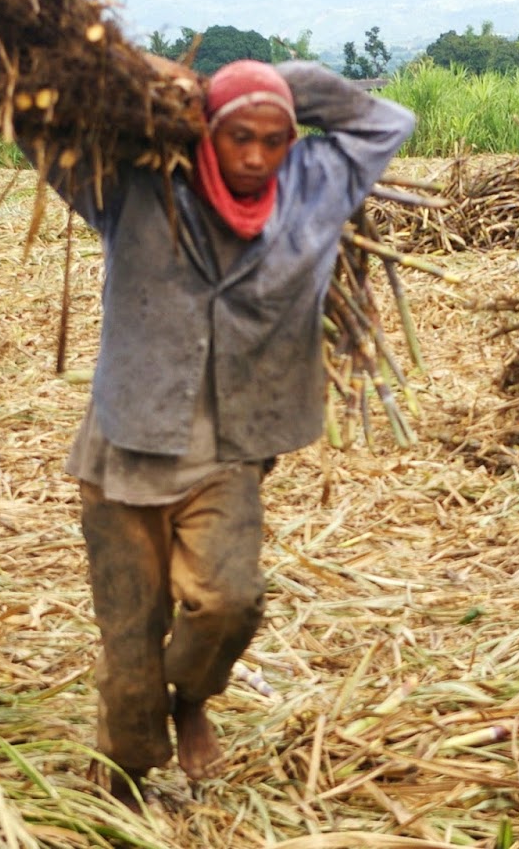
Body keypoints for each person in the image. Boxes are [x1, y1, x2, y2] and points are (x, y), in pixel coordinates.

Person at [38, 58, 415, 808]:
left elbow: (387, 120)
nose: (253, 156)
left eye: (274, 139)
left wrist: (269, 81)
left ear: (293, 141)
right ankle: (126, 769)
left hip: (232, 447)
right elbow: (36, 129)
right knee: (130, 643)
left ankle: (192, 701)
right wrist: (183, 98)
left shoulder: (317, 185)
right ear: (205, 133)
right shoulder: (135, 186)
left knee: (231, 601)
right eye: (236, 135)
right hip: (126, 447)